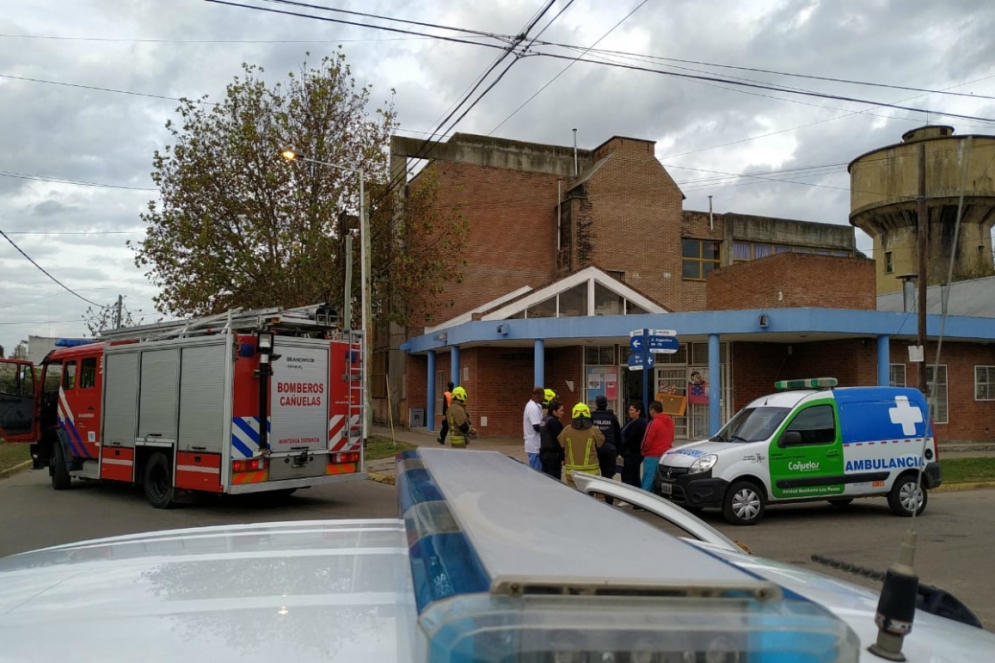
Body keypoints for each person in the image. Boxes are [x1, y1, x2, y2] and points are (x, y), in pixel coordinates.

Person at [558, 402, 604, 488]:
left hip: (572, 472)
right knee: (589, 496)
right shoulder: (594, 430)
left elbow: (560, 443)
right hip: (591, 472)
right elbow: (600, 443)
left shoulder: (566, 430)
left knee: (574, 496)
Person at [591, 395, 622, 504]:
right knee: (608, 477)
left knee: (593, 475)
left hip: (595, 450)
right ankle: (609, 501)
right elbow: (618, 435)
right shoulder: (612, 417)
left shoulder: (592, 416)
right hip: (609, 450)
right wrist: (617, 451)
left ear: (596, 404)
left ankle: (593, 498)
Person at [640, 400, 675, 492]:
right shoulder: (670, 422)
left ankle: (643, 499)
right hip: (665, 455)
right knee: (658, 480)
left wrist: (643, 451)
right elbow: (672, 437)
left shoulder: (654, 423)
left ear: (652, 410)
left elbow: (647, 440)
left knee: (648, 479)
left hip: (652, 454)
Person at [619, 401, 648, 488]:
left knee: (628, 477)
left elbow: (632, 438)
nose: (629, 412)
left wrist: (621, 446)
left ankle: (629, 496)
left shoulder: (640, 423)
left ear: (638, 411)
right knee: (634, 477)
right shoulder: (631, 422)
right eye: (629, 410)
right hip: (628, 454)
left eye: (632, 410)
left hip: (633, 454)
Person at [538, 400, 566, 480]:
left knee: (546, 479)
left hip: (544, 454)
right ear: (554, 411)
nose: (563, 412)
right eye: (561, 410)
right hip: (552, 456)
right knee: (555, 479)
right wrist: (562, 457)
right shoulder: (553, 422)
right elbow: (557, 441)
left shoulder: (544, 420)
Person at [523, 386, 545, 470]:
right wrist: (547, 427)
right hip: (534, 446)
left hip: (533, 444)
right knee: (536, 472)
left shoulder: (533, 405)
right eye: (543, 396)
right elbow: (537, 427)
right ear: (540, 395)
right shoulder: (533, 409)